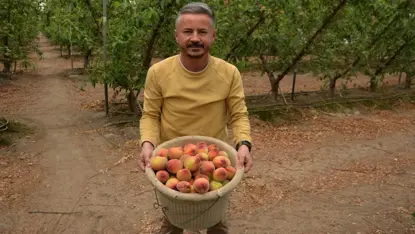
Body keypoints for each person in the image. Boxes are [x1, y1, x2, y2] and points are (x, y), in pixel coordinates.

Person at [138, 2, 253, 234]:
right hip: (173, 160)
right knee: (173, 221)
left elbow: (239, 114)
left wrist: (244, 144)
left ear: (213, 36)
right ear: (177, 36)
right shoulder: (159, 72)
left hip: (214, 159)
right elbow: (150, 115)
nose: (195, 38)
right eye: (188, 31)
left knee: (214, 220)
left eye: (202, 32)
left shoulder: (229, 73)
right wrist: (147, 143)